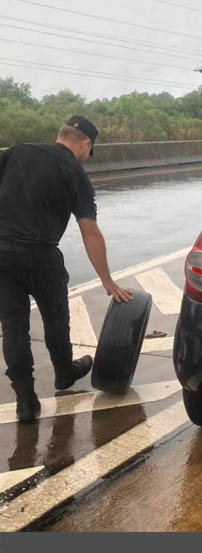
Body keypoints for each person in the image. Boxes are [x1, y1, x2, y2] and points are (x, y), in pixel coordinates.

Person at [0, 116, 132, 421]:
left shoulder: (17, 152)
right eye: (89, 151)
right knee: (56, 318)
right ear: (85, 143)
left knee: (13, 326)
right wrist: (107, 280)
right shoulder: (75, 173)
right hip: (41, 255)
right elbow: (90, 232)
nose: (87, 157)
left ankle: (25, 401)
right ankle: (63, 372)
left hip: (2, 253)